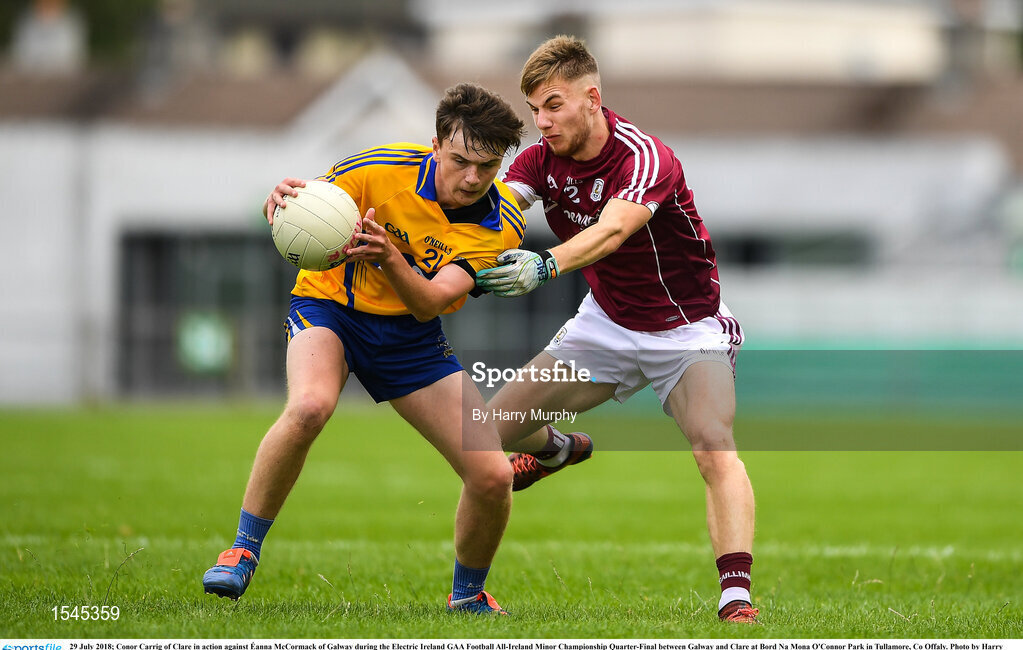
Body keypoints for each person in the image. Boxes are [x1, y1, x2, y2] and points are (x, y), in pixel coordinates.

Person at [202, 82, 527, 615]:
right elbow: (309, 213)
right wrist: (282, 205)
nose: (472, 177)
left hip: (411, 337)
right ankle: (241, 550)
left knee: (493, 476)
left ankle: (467, 596)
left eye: (488, 166)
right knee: (309, 407)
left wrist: (387, 256)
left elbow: (428, 304)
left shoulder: (500, 225)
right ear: (436, 143)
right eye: (460, 160)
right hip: (330, 308)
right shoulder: (374, 168)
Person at [475, 36, 759, 624]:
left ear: (591, 98)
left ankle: (736, 598)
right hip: (606, 323)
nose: (541, 121)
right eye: (534, 109)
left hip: (687, 329)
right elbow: (492, 215)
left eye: (552, 105)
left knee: (713, 446)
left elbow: (611, 231)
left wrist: (545, 264)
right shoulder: (538, 160)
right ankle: (554, 452)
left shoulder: (644, 156)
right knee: (484, 433)